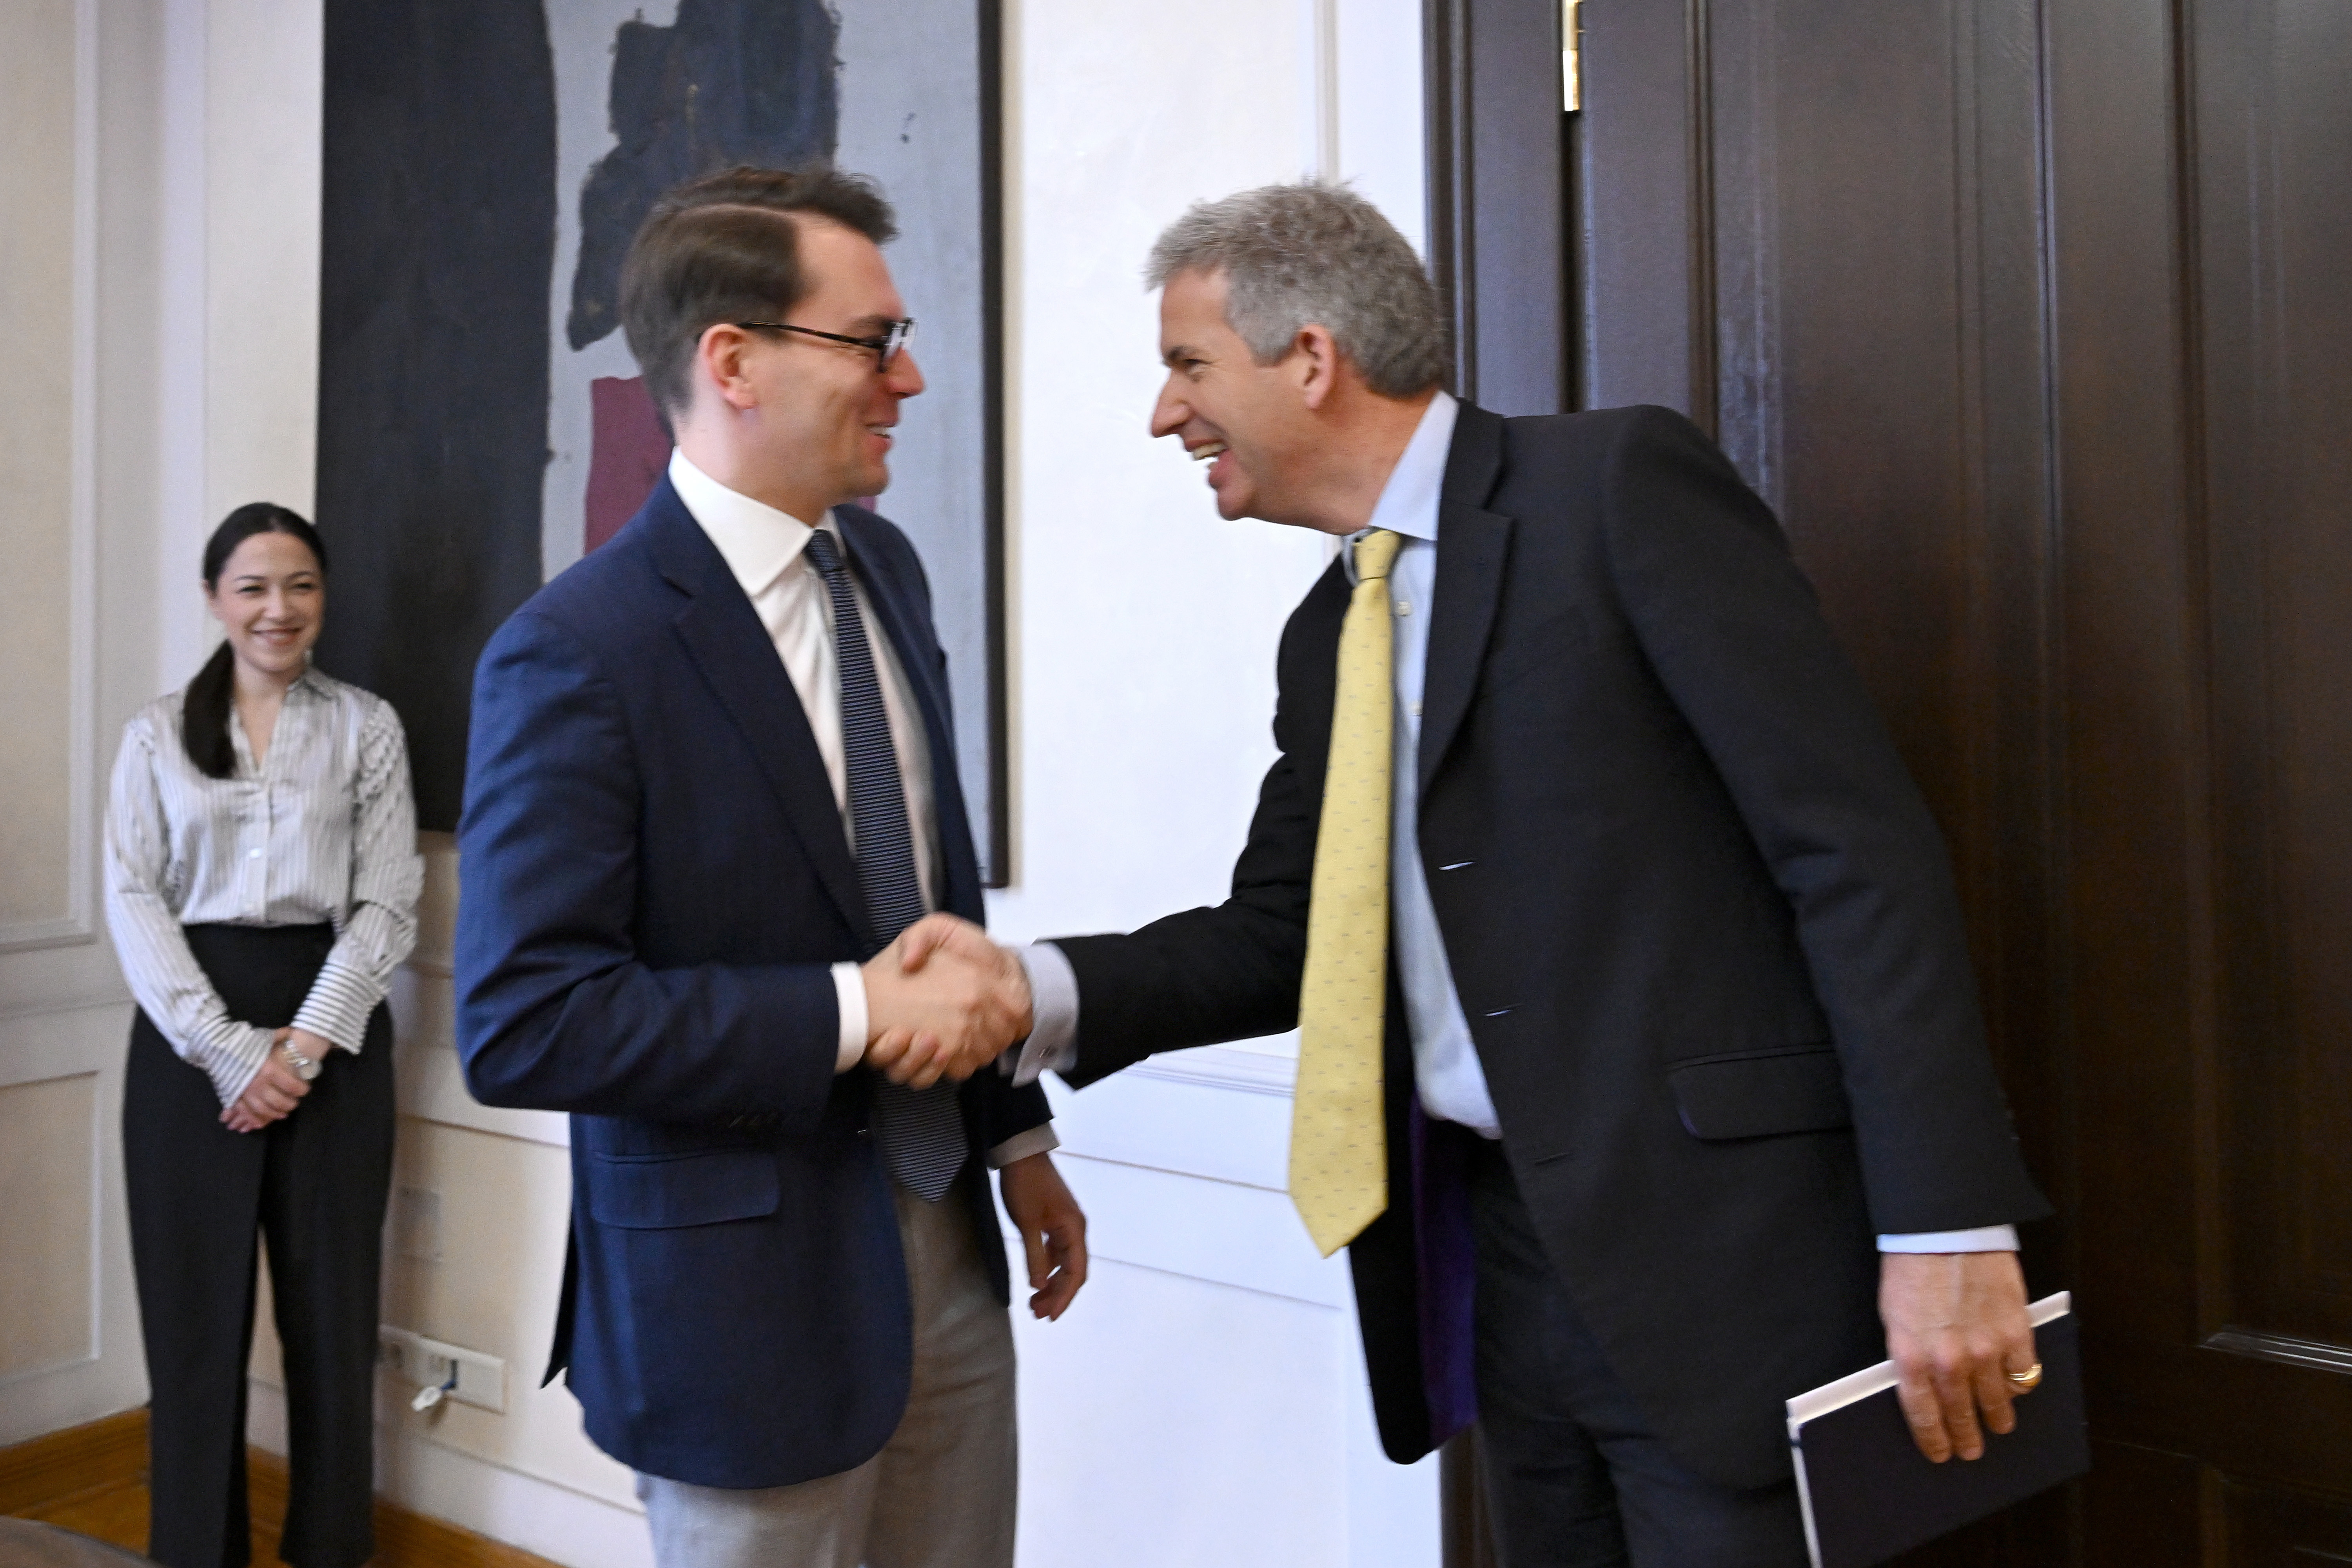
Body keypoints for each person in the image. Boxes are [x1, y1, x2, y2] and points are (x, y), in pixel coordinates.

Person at [895, 181, 2054, 1566]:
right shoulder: (1329, 633)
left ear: (1310, 358)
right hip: (1496, 1267)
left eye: (1188, 366)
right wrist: (1027, 987)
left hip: (1727, 1271)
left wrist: (1946, 1225)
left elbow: (1853, 855)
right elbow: (1288, 935)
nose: (1166, 414)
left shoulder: (1616, 490)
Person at [453, 164, 1084, 1568]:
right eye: (873, 341)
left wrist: (1016, 1137)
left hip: (952, 1246)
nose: (909, 377)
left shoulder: (890, 573)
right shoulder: (577, 651)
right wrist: (856, 1012)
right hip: (735, 1309)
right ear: (734, 361)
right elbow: (525, 1019)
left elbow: (929, 894)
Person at [105, 503, 421, 1568]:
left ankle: (331, 1549)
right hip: (185, 1036)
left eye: (300, 586)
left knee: (333, 1320)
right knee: (191, 1326)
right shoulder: (155, 734)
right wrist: (231, 1050)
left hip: (333, 1031)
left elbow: (388, 902)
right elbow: (133, 898)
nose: (278, 609)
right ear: (214, 600)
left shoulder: (368, 726)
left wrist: (301, 1047)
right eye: (252, 587)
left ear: (323, 598)